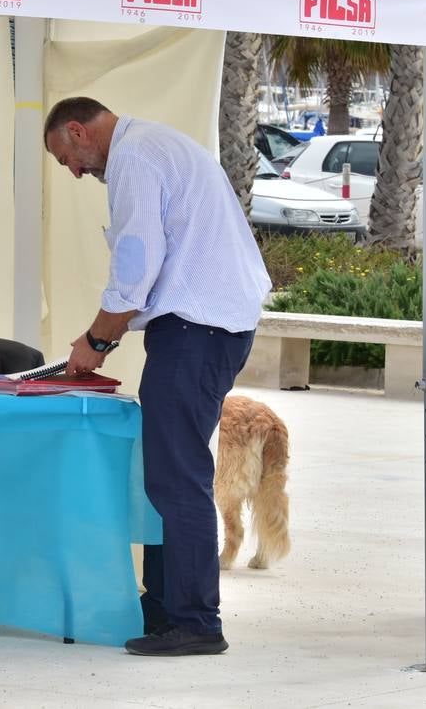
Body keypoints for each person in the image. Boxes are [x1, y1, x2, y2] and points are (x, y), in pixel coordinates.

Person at [44, 96, 271, 657]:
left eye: (67, 158)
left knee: (177, 478)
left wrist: (96, 341)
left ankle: (196, 621)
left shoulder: (134, 159)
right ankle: (166, 607)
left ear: (79, 131)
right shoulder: (155, 145)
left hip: (197, 330)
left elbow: (135, 265)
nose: (75, 172)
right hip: (209, 326)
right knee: (171, 474)